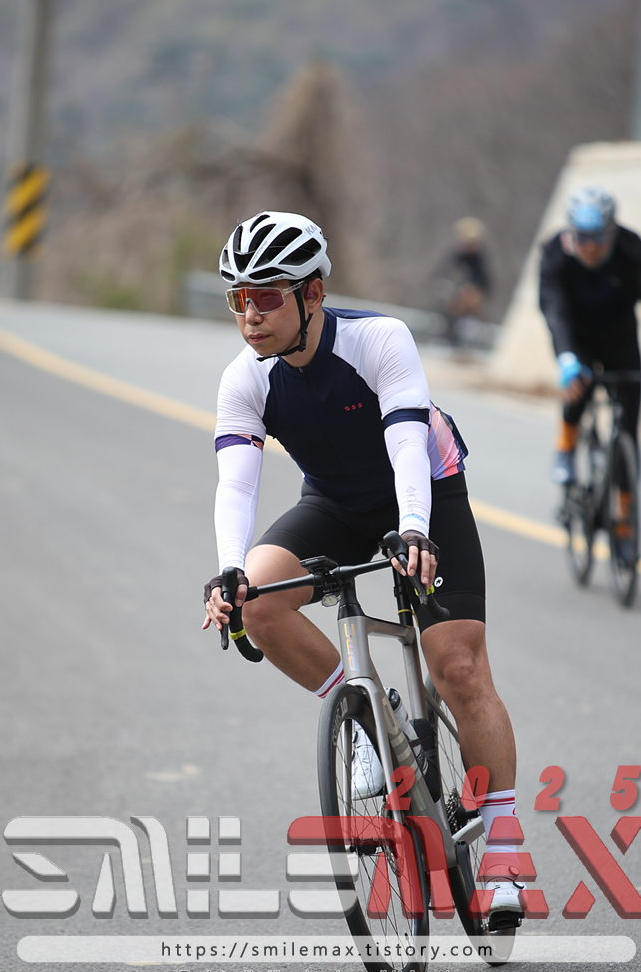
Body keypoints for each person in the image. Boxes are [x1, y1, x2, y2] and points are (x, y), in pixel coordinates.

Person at [201, 211, 525, 930]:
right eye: (238, 299)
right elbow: (237, 484)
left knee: (458, 665)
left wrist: (413, 530)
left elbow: (408, 443)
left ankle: (503, 850)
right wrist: (227, 570)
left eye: (266, 297)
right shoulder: (245, 378)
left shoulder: (379, 340)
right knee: (258, 600)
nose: (250, 315)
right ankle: (371, 722)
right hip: (335, 502)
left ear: (313, 293)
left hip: (425, 492)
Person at [539, 186, 641, 495]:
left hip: (620, 339)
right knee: (578, 386)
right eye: (583, 238)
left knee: (629, 428)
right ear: (571, 233)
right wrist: (566, 359)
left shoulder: (633, 249)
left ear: (613, 232)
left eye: (600, 238)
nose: (591, 247)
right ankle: (566, 446)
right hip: (577, 338)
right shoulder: (555, 253)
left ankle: (624, 512)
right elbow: (554, 311)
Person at [437, 216, 492, 346]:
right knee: (451, 308)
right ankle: (448, 336)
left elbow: (484, 281)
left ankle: (465, 333)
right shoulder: (458, 255)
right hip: (460, 289)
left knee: (464, 302)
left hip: (474, 290)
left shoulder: (478, 258)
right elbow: (445, 269)